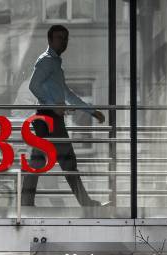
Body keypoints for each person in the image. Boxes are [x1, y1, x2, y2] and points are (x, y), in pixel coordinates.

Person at [21, 24, 108, 207]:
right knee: (67, 161)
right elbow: (33, 86)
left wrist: (91, 111)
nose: (64, 42)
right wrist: (53, 107)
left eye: (65, 38)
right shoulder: (46, 61)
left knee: (39, 161)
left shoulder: (54, 64)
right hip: (49, 117)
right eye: (60, 38)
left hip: (48, 117)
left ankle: (26, 202)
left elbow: (67, 94)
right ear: (50, 40)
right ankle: (84, 202)